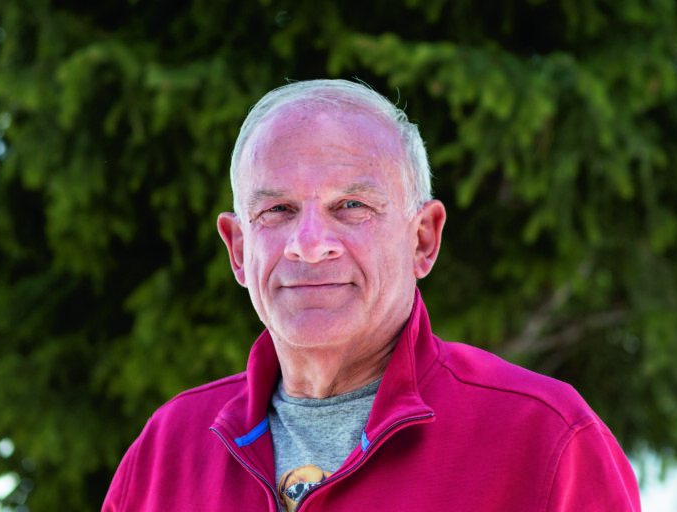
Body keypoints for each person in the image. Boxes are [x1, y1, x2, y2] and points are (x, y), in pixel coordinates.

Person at [102, 79, 641, 511]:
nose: (309, 245)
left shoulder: (546, 440)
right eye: (278, 211)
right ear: (239, 249)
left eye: (352, 206)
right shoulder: (167, 449)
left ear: (422, 238)